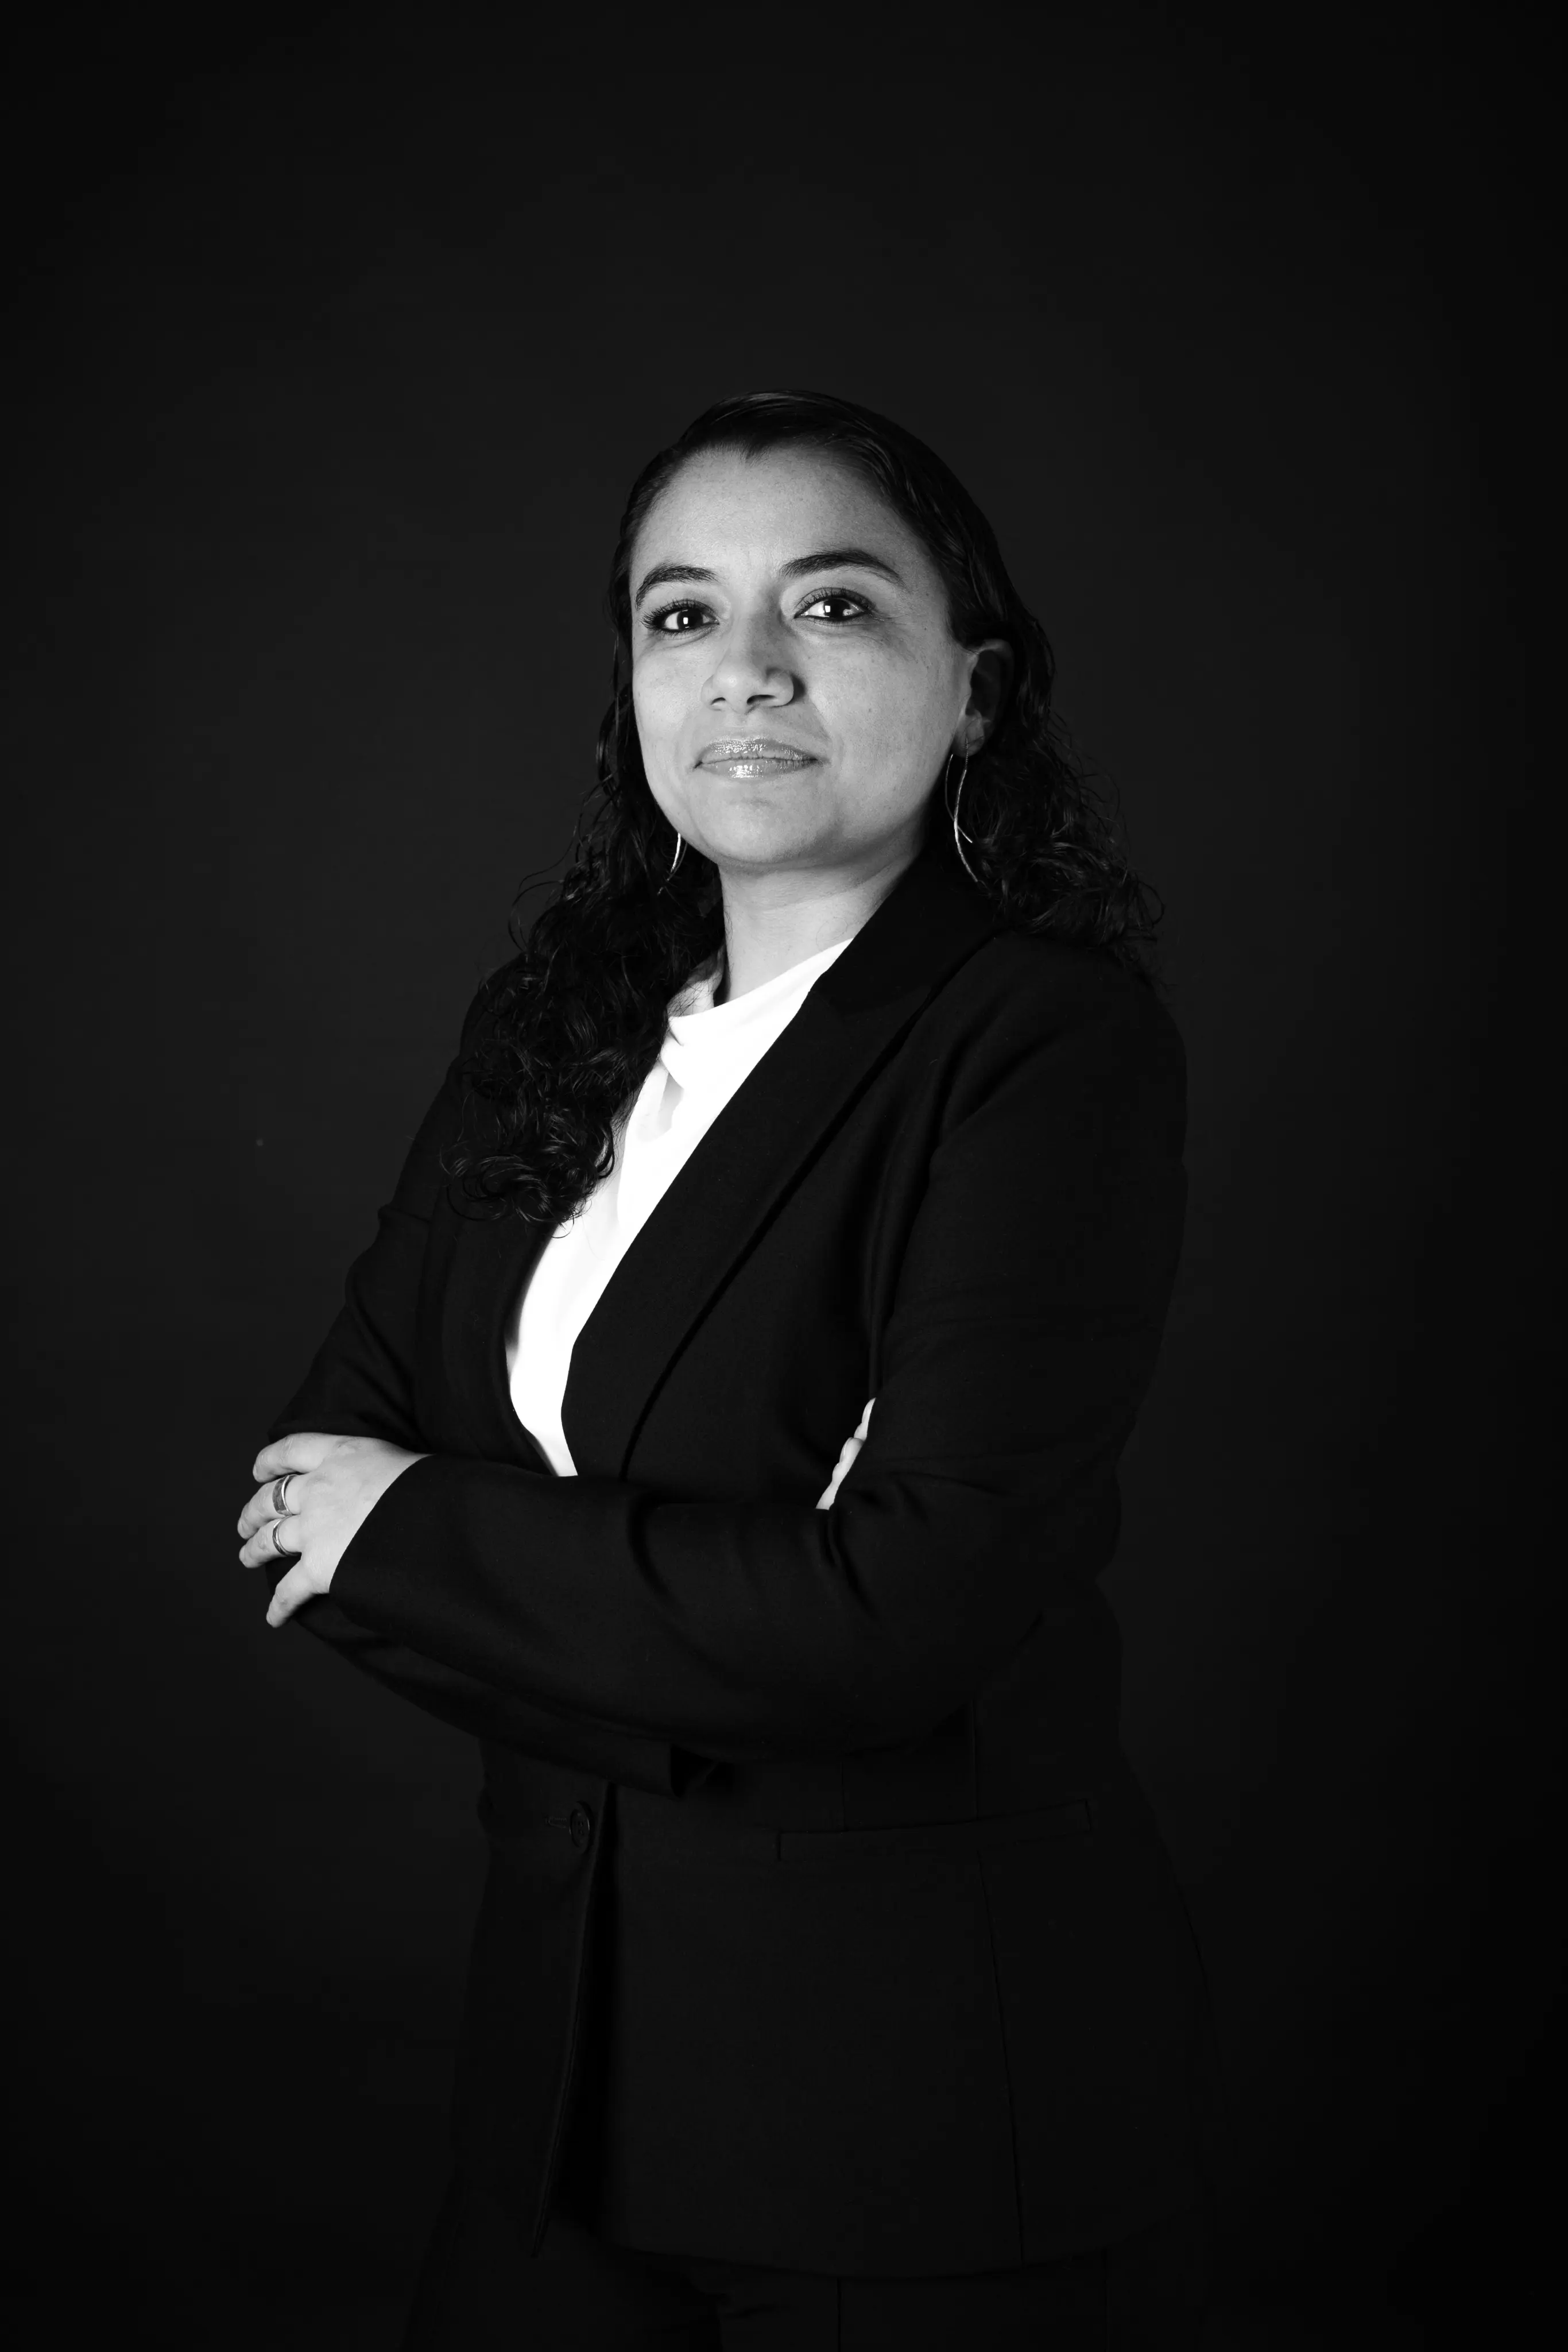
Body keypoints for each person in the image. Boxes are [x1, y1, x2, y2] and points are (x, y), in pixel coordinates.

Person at [237, 389, 1221, 2349]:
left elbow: (901, 1619)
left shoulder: (1035, 1048)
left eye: (835, 608)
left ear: (979, 686)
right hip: (561, 2100)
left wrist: (432, 1534)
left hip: (913, 2122)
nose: (748, 669)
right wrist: (726, 1616)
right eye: (682, 615)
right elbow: (299, 1505)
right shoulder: (556, 1029)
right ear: (631, 678)